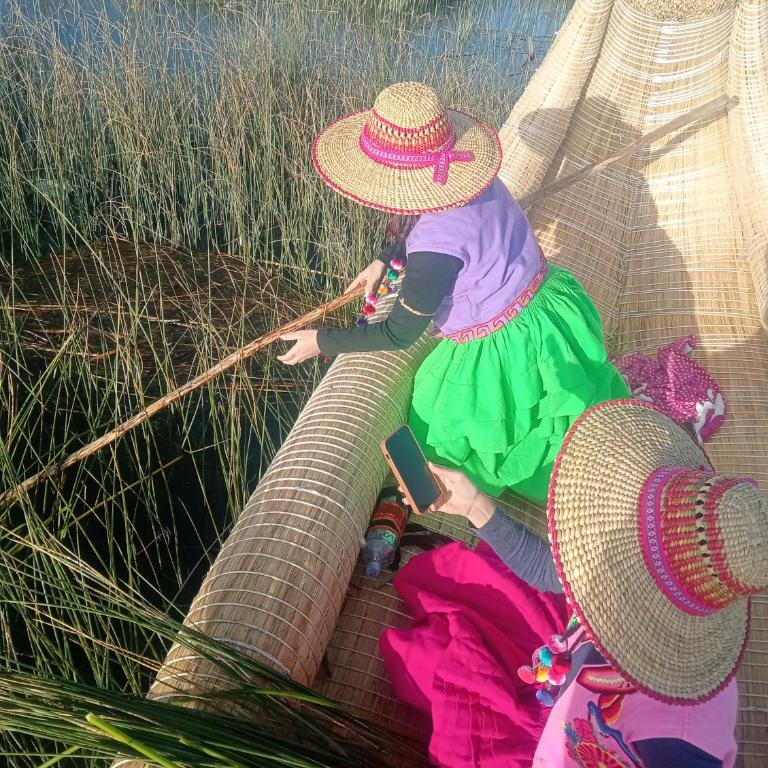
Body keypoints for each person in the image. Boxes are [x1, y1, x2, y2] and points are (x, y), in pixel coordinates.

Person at [278, 81, 628, 502]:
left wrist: (322, 341)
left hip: (509, 347)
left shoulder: (433, 249)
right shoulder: (468, 179)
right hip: (551, 306)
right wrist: (385, 260)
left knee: (434, 426)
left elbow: (400, 333)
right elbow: (424, 222)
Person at [381, 400, 766, 767]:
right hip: (565, 691)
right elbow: (554, 571)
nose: (593, 553)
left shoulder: (681, 737)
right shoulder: (614, 586)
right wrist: (474, 506)